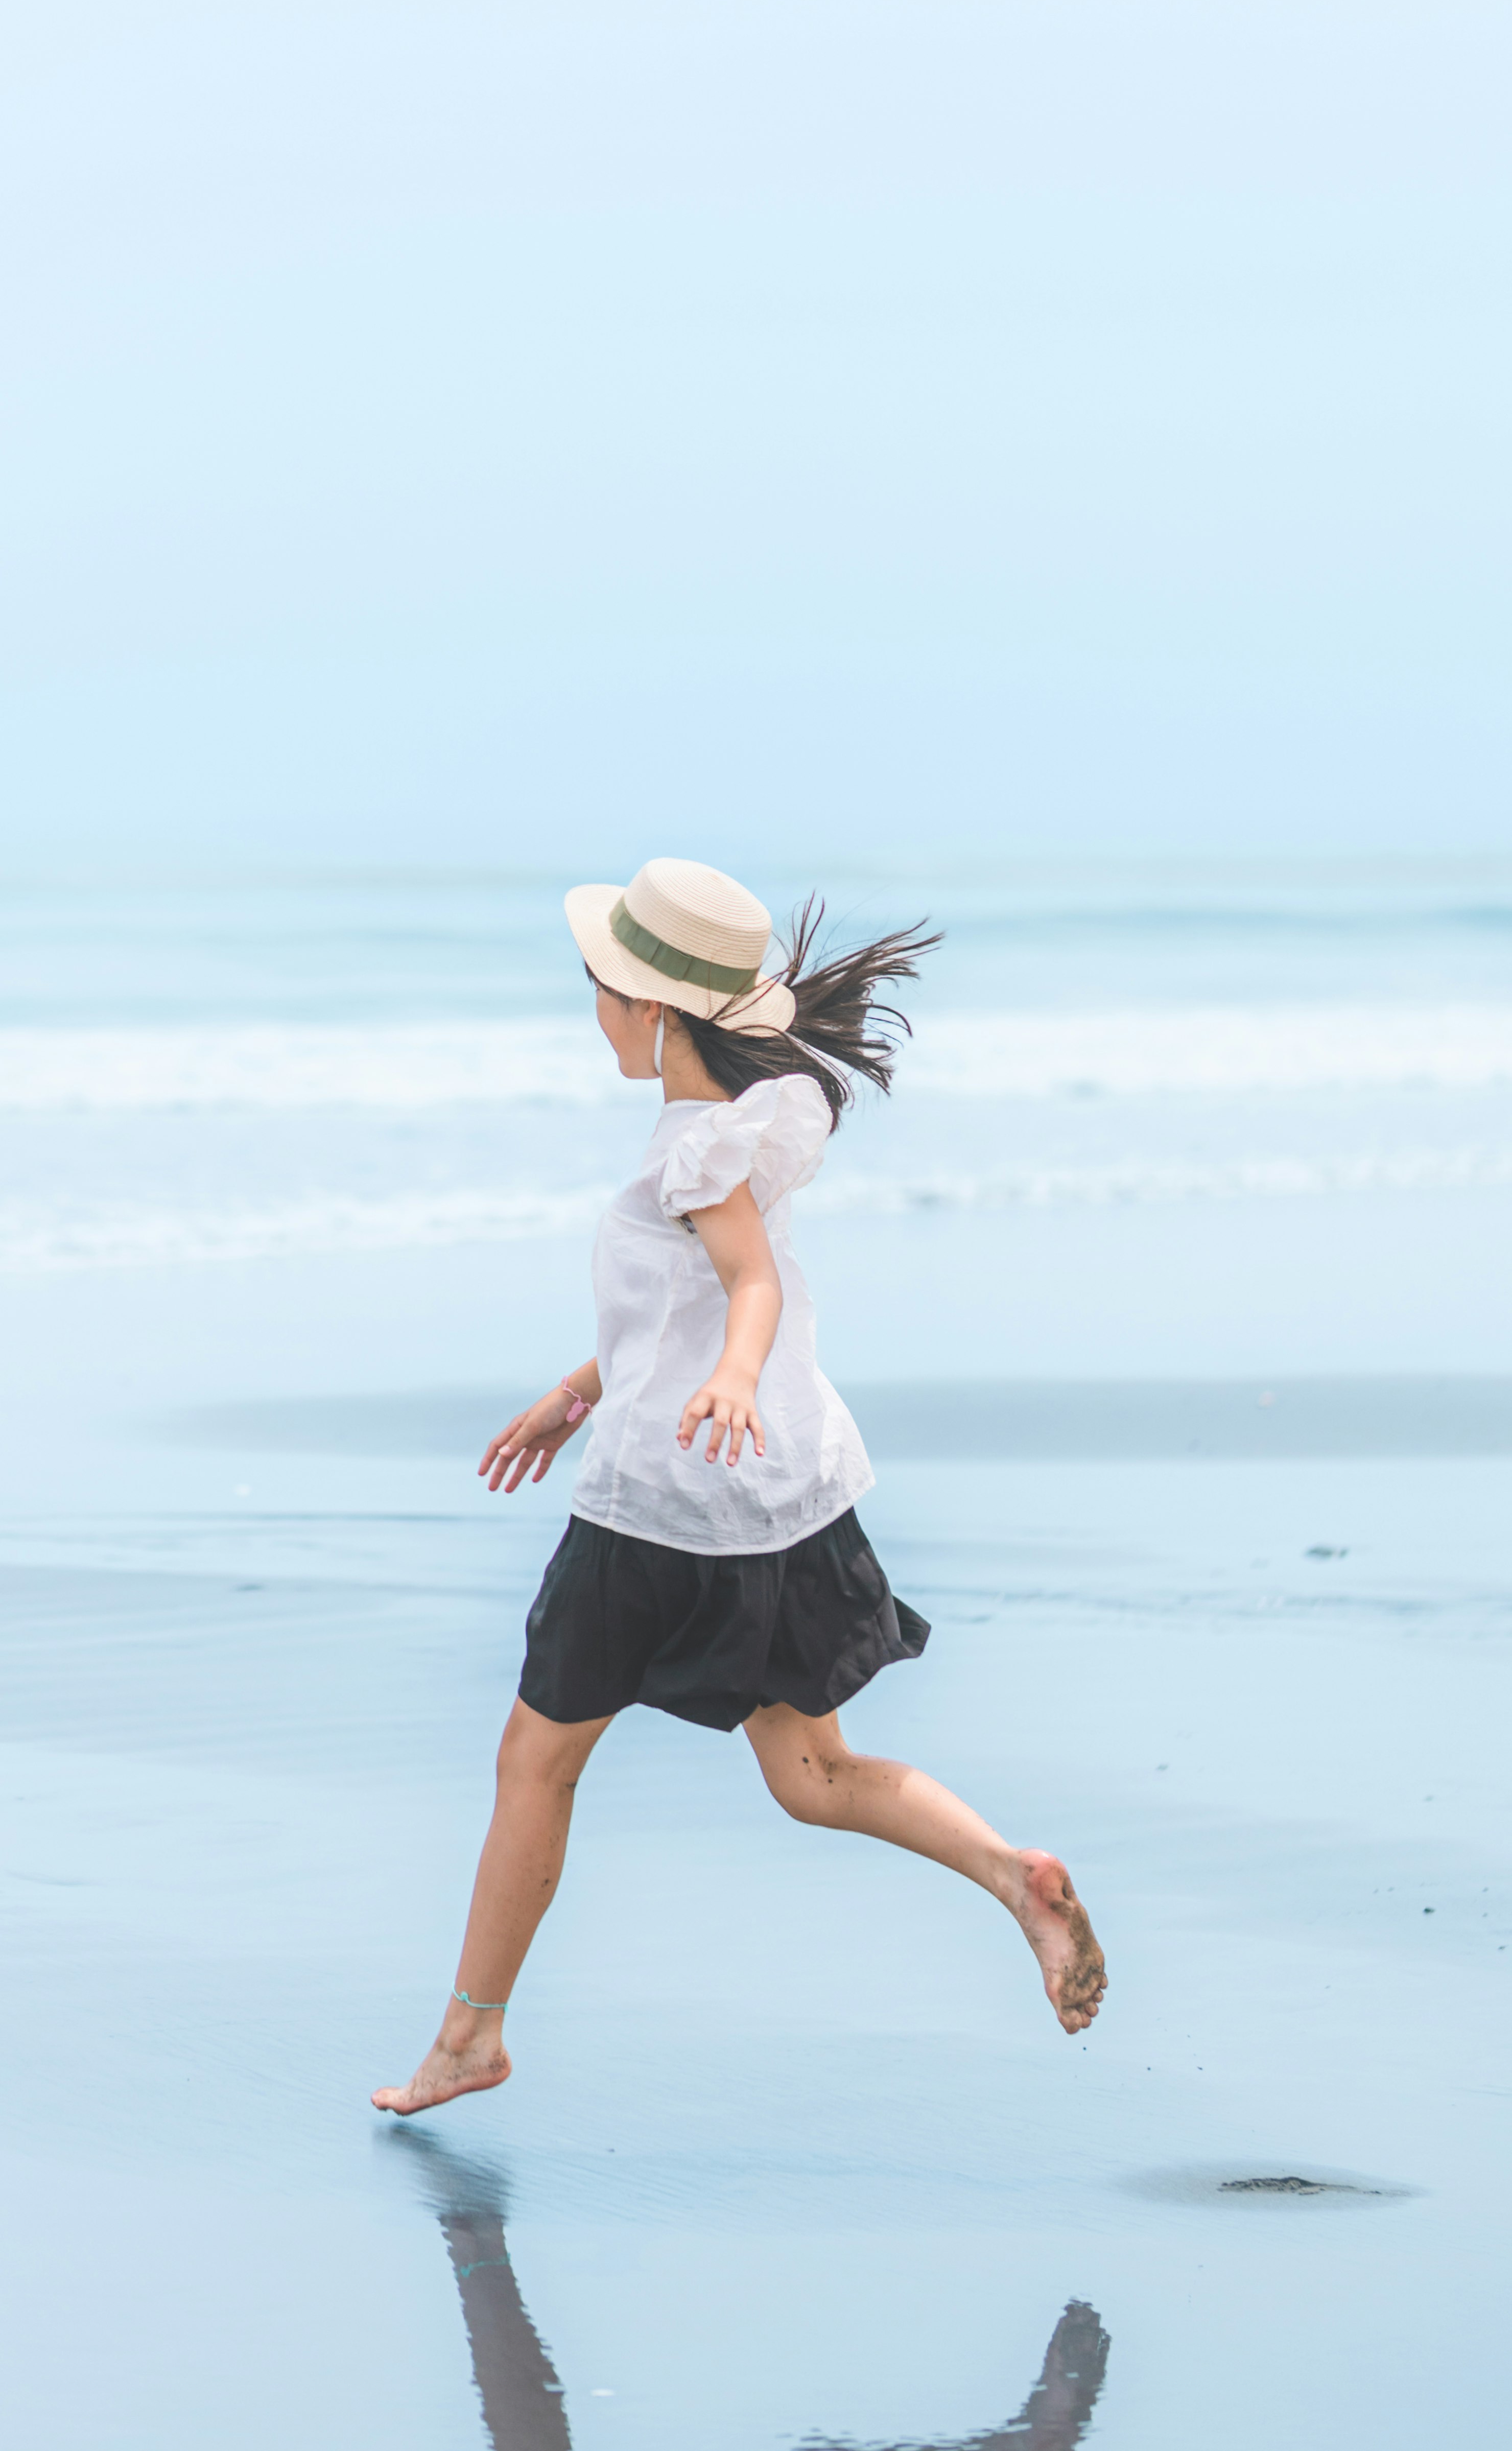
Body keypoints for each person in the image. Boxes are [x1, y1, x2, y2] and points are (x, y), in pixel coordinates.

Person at [372, 858, 1105, 2118]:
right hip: (786, 1498)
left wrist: (731, 1378)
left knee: (536, 1767)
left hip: (663, 1510)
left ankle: (470, 2039)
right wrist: (585, 1387)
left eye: (600, 989)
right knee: (813, 1776)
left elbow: (748, 1290)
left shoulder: (701, 1153)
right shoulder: (738, 1131)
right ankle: (1009, 1873)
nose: (593, 1011)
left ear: (654, 1013)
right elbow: (684, 1306)